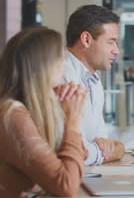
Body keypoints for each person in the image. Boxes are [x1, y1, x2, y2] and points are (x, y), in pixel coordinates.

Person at [0, 27, 88, 197]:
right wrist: (73, 120)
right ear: (45, 67)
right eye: (61, 58)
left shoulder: (27, 109)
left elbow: (80, 156)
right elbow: (66, 185)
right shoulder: (12, 114)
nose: (64, 65)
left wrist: (58, 111)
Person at [64, 5, 125, 166]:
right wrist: (118, 150)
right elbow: (76, 153)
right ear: (86, 39)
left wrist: (110, 148)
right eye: (110, 42)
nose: (116, 51)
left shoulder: (94, 81)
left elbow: (102, 143)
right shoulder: (62, 77)